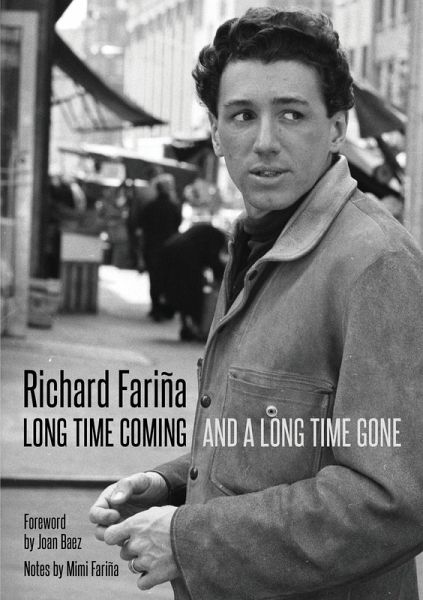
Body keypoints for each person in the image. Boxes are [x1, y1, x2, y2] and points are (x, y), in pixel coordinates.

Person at [89, 8, 423, 600]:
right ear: (217, 133)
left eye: (292, 114)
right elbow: (279, 438)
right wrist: (173, 485)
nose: (266, 142)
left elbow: (392, 500)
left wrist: (188, 539)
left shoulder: (375, 264)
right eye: (243, 115)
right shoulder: (259, 242)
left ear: (337, 128)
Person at [161, 223, 227, 341]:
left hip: (172, 251)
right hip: (185, 256)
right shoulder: (217, 238)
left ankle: (186, 326)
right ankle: (195, 328)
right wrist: (221, 277)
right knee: (193, 294)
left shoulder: (208, 231)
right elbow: (212, 259)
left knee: (181, 292)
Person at [138, 172, 182, 321]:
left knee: (154, 279)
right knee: (167, 279)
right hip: (169, 247)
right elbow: (177, 225)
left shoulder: (149, 207)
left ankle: (156, 308)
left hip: (151, 247)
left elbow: (142, 226)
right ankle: (166, 308)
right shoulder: (173, 207)